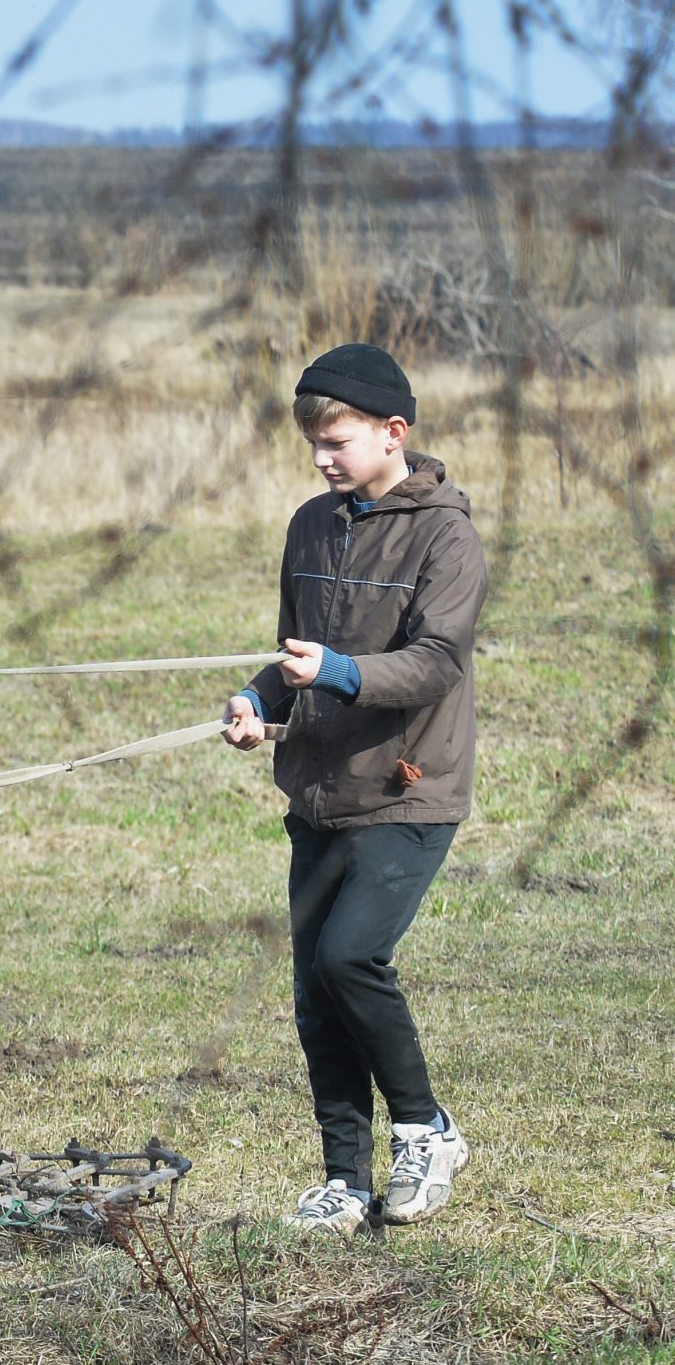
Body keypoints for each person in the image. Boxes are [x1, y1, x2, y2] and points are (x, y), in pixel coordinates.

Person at [221, 343, 487, 1235]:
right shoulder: (311, 524)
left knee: (349, 957)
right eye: (314, 447)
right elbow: (295, 650)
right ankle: (345, 1179)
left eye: (336, 441)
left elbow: (436, 663)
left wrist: (334, 668)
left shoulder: (445, 532)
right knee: (313, 987)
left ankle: (427, 1128)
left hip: (408, 787)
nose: (323, 460)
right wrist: (259, 699)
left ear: (393, 432)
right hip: (319, 787)